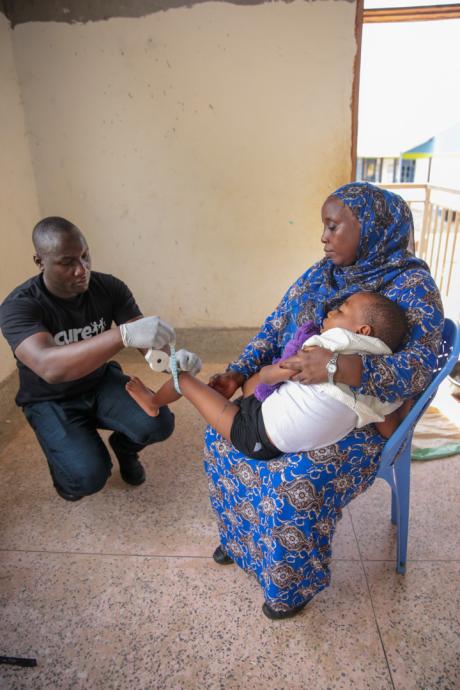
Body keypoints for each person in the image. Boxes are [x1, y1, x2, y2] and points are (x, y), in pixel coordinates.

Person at [203, 182, 443, 620]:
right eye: (323, 227)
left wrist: (340, 368)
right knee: (221, 438)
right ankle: (244, 541)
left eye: (334, 226)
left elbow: (419, 369)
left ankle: (289, 587)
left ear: (370, 229)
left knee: (298, 476)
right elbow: (275, 329)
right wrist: (238, 371)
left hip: (364, 417)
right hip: (303, 392)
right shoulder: (323, 273)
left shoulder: (414, 287)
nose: (324, 237)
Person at [0, 217, 201, 501]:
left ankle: (124, 448)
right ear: (39, 261)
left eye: (85, 256)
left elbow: (145, 342)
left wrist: (172, 361)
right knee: (87, 477)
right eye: (67, 262)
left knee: (157, 423)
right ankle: (69, 470)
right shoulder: (19, 306)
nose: (82, 269)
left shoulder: (108, 288)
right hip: (50, 399)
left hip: (98, 381)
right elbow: (49, 366)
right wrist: (122, 335)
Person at [124, 292, 408, 461]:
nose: (332, 311)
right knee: (252, 389)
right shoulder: (379, 376)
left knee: (184, 379)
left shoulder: (330, 345)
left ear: (362, 332)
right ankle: (238, 395)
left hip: (255, 435)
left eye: (341, 309)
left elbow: (274, 376)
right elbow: (389, 428)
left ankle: (154, 402)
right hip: (277, 428)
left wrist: (267, 372)